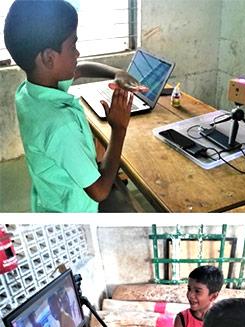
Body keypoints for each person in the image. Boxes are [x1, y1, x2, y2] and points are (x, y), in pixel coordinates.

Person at [3, 0, 147, 212]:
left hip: (51, 198)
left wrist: (117, 73)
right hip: (74, 209)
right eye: (73, 46)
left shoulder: (28, 91)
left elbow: (80, 69)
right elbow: (99, 191)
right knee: (121, 199)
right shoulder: (60, 125)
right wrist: (118, 129)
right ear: (48, 58)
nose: (77, 54)